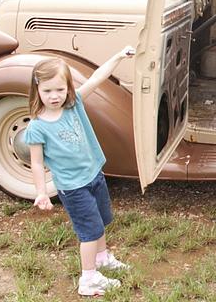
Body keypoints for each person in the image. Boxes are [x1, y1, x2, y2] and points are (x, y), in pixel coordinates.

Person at [25, 47, 134, 296]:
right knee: (89, 232)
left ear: (68, 88)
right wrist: (41, 192)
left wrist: (117, 56)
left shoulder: (74, 105)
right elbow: (37, 163)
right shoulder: (37, 128)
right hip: (73, 187)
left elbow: (97, 77)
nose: (55, 96)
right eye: (47, 91)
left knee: (102, 220)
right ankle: (88, 279)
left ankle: (102, 258)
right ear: (37, 90)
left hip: (94, 175)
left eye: (60, 90)